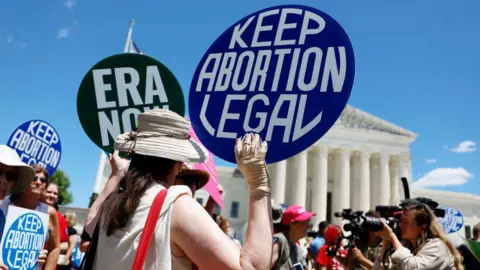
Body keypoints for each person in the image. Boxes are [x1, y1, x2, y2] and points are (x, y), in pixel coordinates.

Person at [84, 109, 273, 269]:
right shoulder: (174, 204)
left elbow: (91, 222)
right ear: (179, 162)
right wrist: (258, 185)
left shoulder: (114, 203)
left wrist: (117, 175)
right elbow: (252, 267)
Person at [0, 157, 58, 269]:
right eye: (34, 178)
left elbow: (55, 248)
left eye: (43, 180)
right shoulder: (4, 203)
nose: (38, 182)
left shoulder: (49, 212)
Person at [372, 202, 463, 270]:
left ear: (422, 226)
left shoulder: (437, 246)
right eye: (401, 220)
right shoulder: (407, 247)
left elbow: (413, 267)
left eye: (406, 222)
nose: (400, 225)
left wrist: (392, 236)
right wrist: (386, 240)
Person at [270, 205, 316, 269]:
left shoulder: (297, 249)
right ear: (292, 223)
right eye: (306, 222)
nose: (308, 226)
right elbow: (262, 267)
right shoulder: (280, 242)